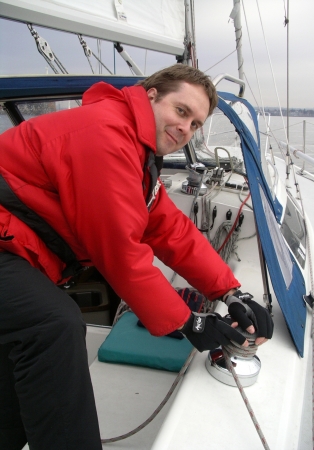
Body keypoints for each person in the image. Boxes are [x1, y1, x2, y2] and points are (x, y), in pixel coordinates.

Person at [0, 64, 273, 450]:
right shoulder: (104, 135)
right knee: (52, 324)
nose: (186, 129)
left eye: (196, 124)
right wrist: (190, 323)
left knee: (18, 355)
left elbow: (166, 227)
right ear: (150, 95)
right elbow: (119, 250)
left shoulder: (133, 148)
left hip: (12, 247)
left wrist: (231, 292)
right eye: (181, 112)